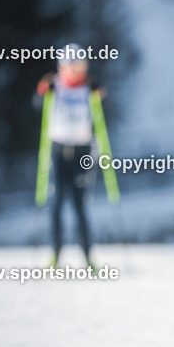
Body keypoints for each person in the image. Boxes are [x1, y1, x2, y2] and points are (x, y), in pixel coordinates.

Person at [35, 44, 119, 267]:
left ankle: (88, 258)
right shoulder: (55, 86)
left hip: (82, 152)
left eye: (81, 65)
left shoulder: (90, 88)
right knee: (56, 204)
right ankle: (54, 255)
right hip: (58, 151)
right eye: (73, 66)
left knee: (80, 207)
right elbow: (37, 106)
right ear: (63, 67)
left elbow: (105, 110)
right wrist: (41, 92)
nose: (78, 71)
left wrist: (102, 95)